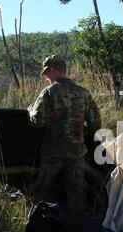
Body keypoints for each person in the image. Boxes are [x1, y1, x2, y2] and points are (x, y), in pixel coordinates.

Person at [28, 55, 101, 215]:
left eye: (47, 73)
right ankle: (78, 228)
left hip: (53, 152)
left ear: (53, 71)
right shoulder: (84, 93)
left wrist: (31, 110)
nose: (46, 77)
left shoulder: (49, 92)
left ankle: (40, 227)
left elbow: (37, 121)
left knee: (43, 189)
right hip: (76, 151)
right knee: (77, 192)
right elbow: (95, 124)